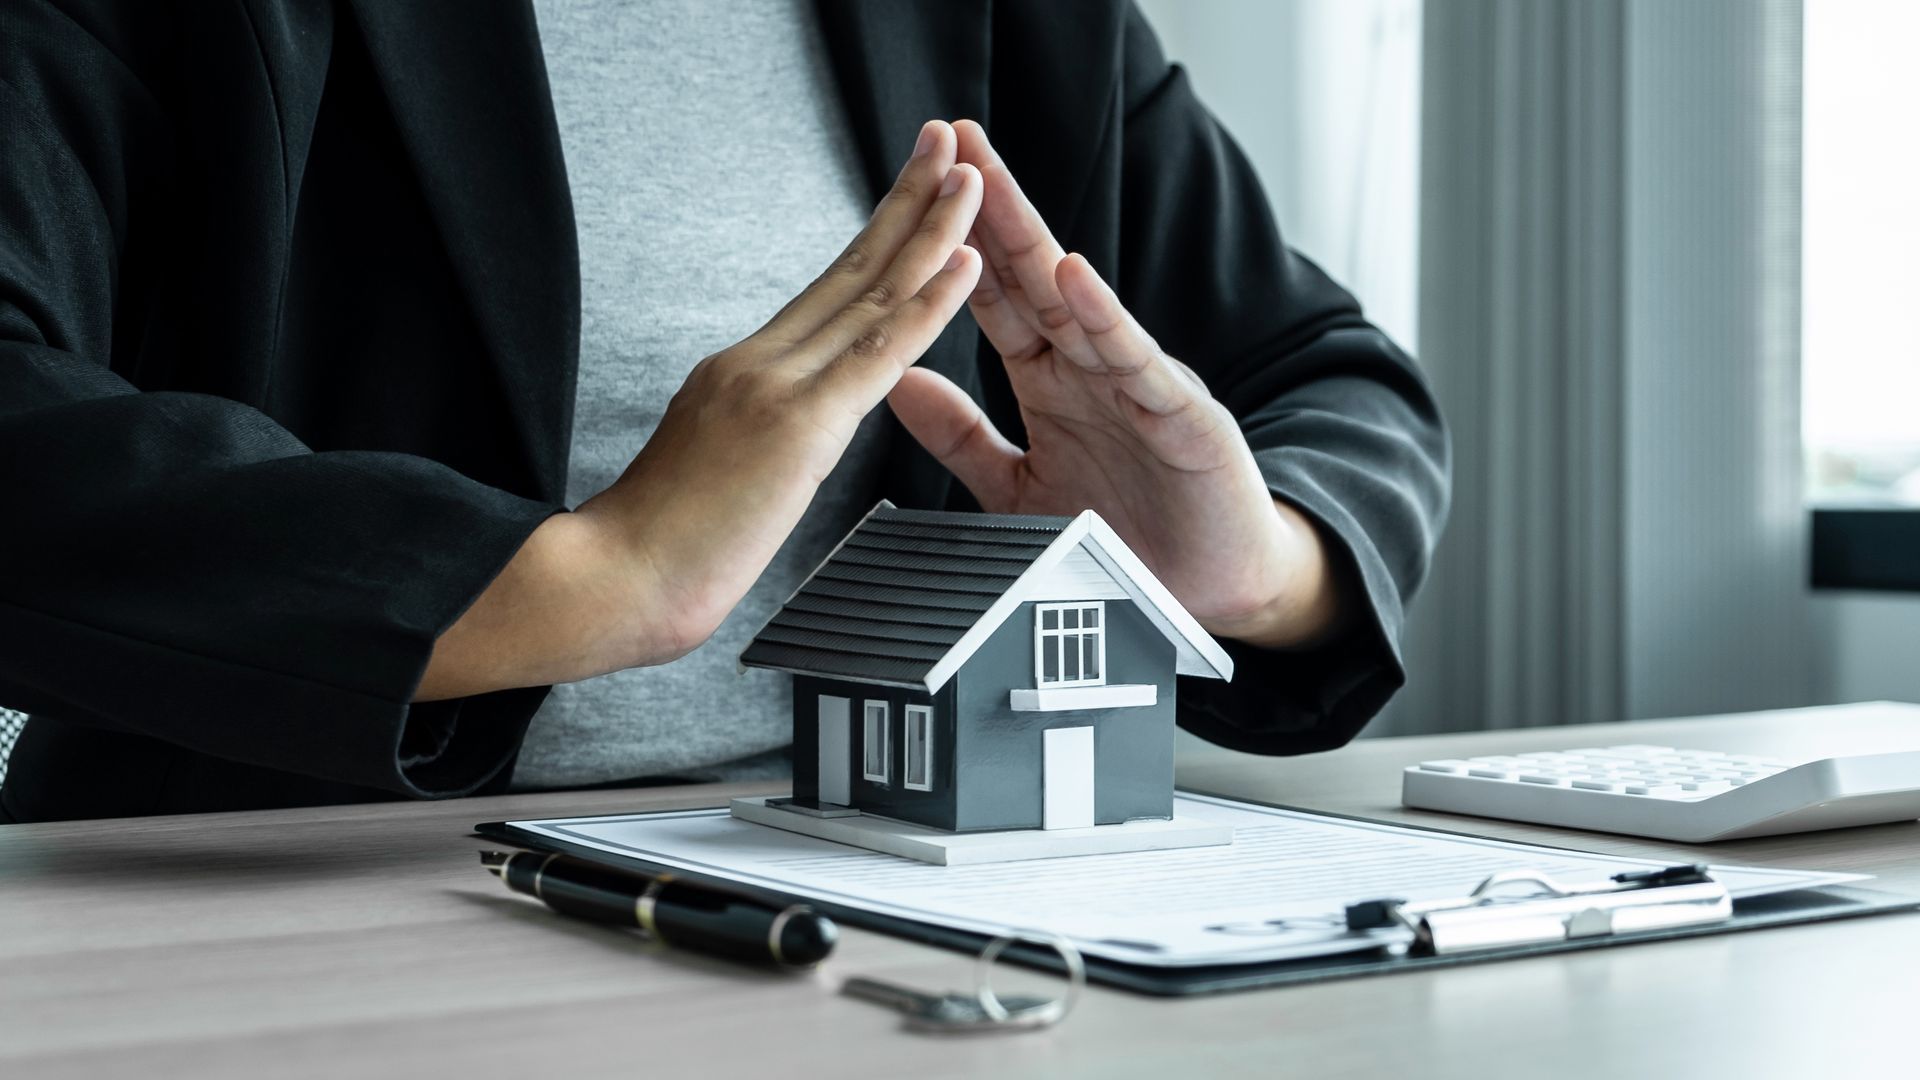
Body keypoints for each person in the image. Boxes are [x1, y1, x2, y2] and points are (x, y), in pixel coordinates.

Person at [0, 0, 1449, 823]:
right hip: (270, 906)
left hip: (881, 909)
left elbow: (1332, 374)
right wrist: (574, 582)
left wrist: (1246, 567)